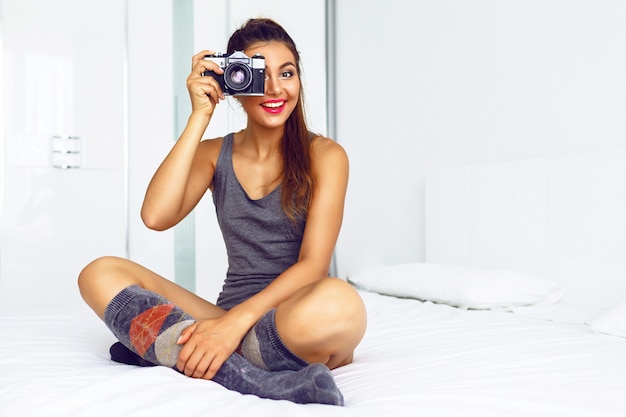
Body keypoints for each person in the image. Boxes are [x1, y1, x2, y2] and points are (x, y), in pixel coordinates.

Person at [77, 18, 367, 406]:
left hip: (289, 317)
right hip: (223, 315)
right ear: (233, 81)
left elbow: (314, 265)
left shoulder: (326, 155)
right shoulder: (215, 154)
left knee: (340, 301)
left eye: (288, 72)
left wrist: (232, 327)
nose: (277, 88)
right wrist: (200, 114)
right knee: (98, 273)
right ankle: (246, 375)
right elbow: (155, 216)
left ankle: (168, 348)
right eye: (259, 74)